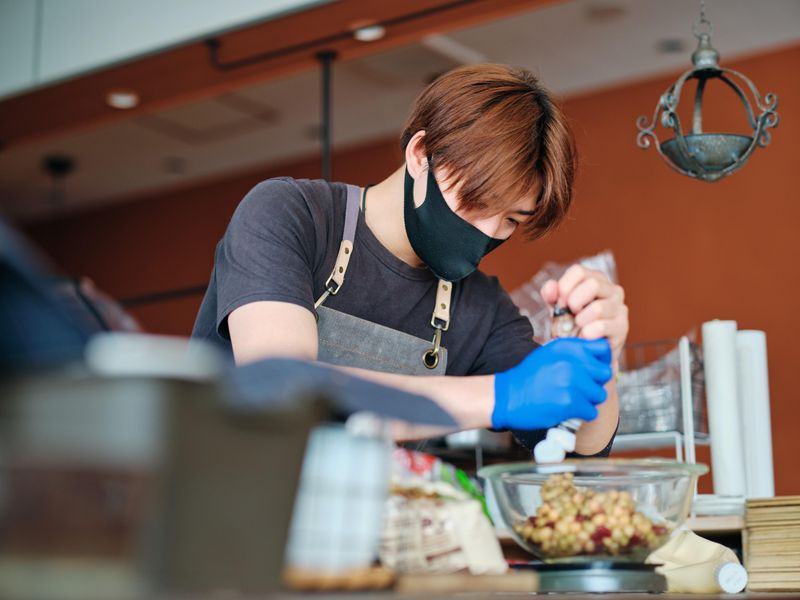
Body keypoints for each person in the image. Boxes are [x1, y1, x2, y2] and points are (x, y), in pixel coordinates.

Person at [192, 64, 628, 455]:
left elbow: (580, 445)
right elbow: (280, 386)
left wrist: (601, 354)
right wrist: (500, 396)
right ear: (422, 154)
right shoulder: (291, 214)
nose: (491, 232)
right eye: (480, 202)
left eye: (512, 219)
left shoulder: (481, 309)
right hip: (220, 518)